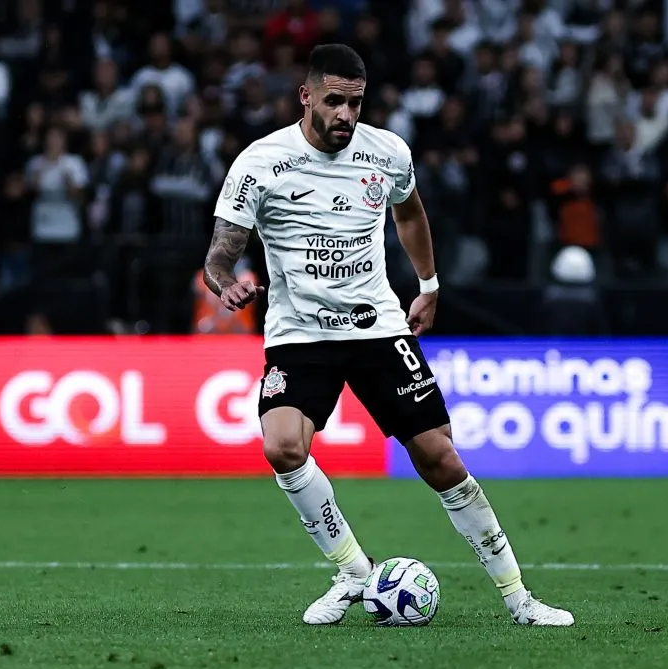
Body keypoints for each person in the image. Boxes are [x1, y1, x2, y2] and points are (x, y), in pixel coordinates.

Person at [204, 44, 574, 628]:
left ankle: (519, 599)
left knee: (440, 457)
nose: (345, 115)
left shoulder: (387, 152)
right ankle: (353, 570)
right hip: (300, 334)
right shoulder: (260, 162)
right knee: (282, 446)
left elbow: (409, 213)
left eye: (354, 102)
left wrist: (428, 284)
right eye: (333, 101)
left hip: (377, 325)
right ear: (306, 96)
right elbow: (221, 254)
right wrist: (224, 283)